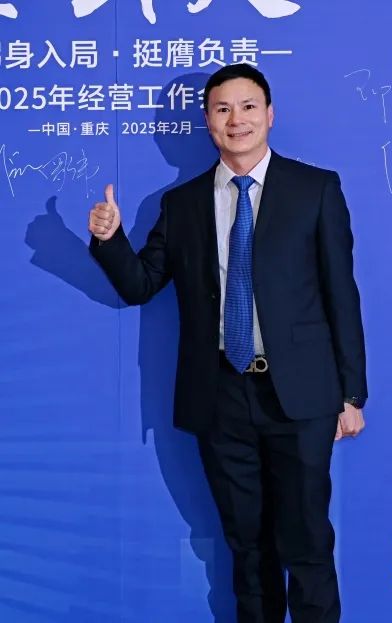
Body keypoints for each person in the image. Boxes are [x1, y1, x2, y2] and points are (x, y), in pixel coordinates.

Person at [88, 63, 367, 623]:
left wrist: (351, 394)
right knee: (247, 546)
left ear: (270, 114)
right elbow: (142, 285)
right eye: (222, 109)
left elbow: (342, 292)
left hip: (301, 397)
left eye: (247, 107)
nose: (236, 119)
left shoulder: (315, 189)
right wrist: (110, 239)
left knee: (307, 542)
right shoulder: (182, 203)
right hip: (220, 396)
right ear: (208, 121)